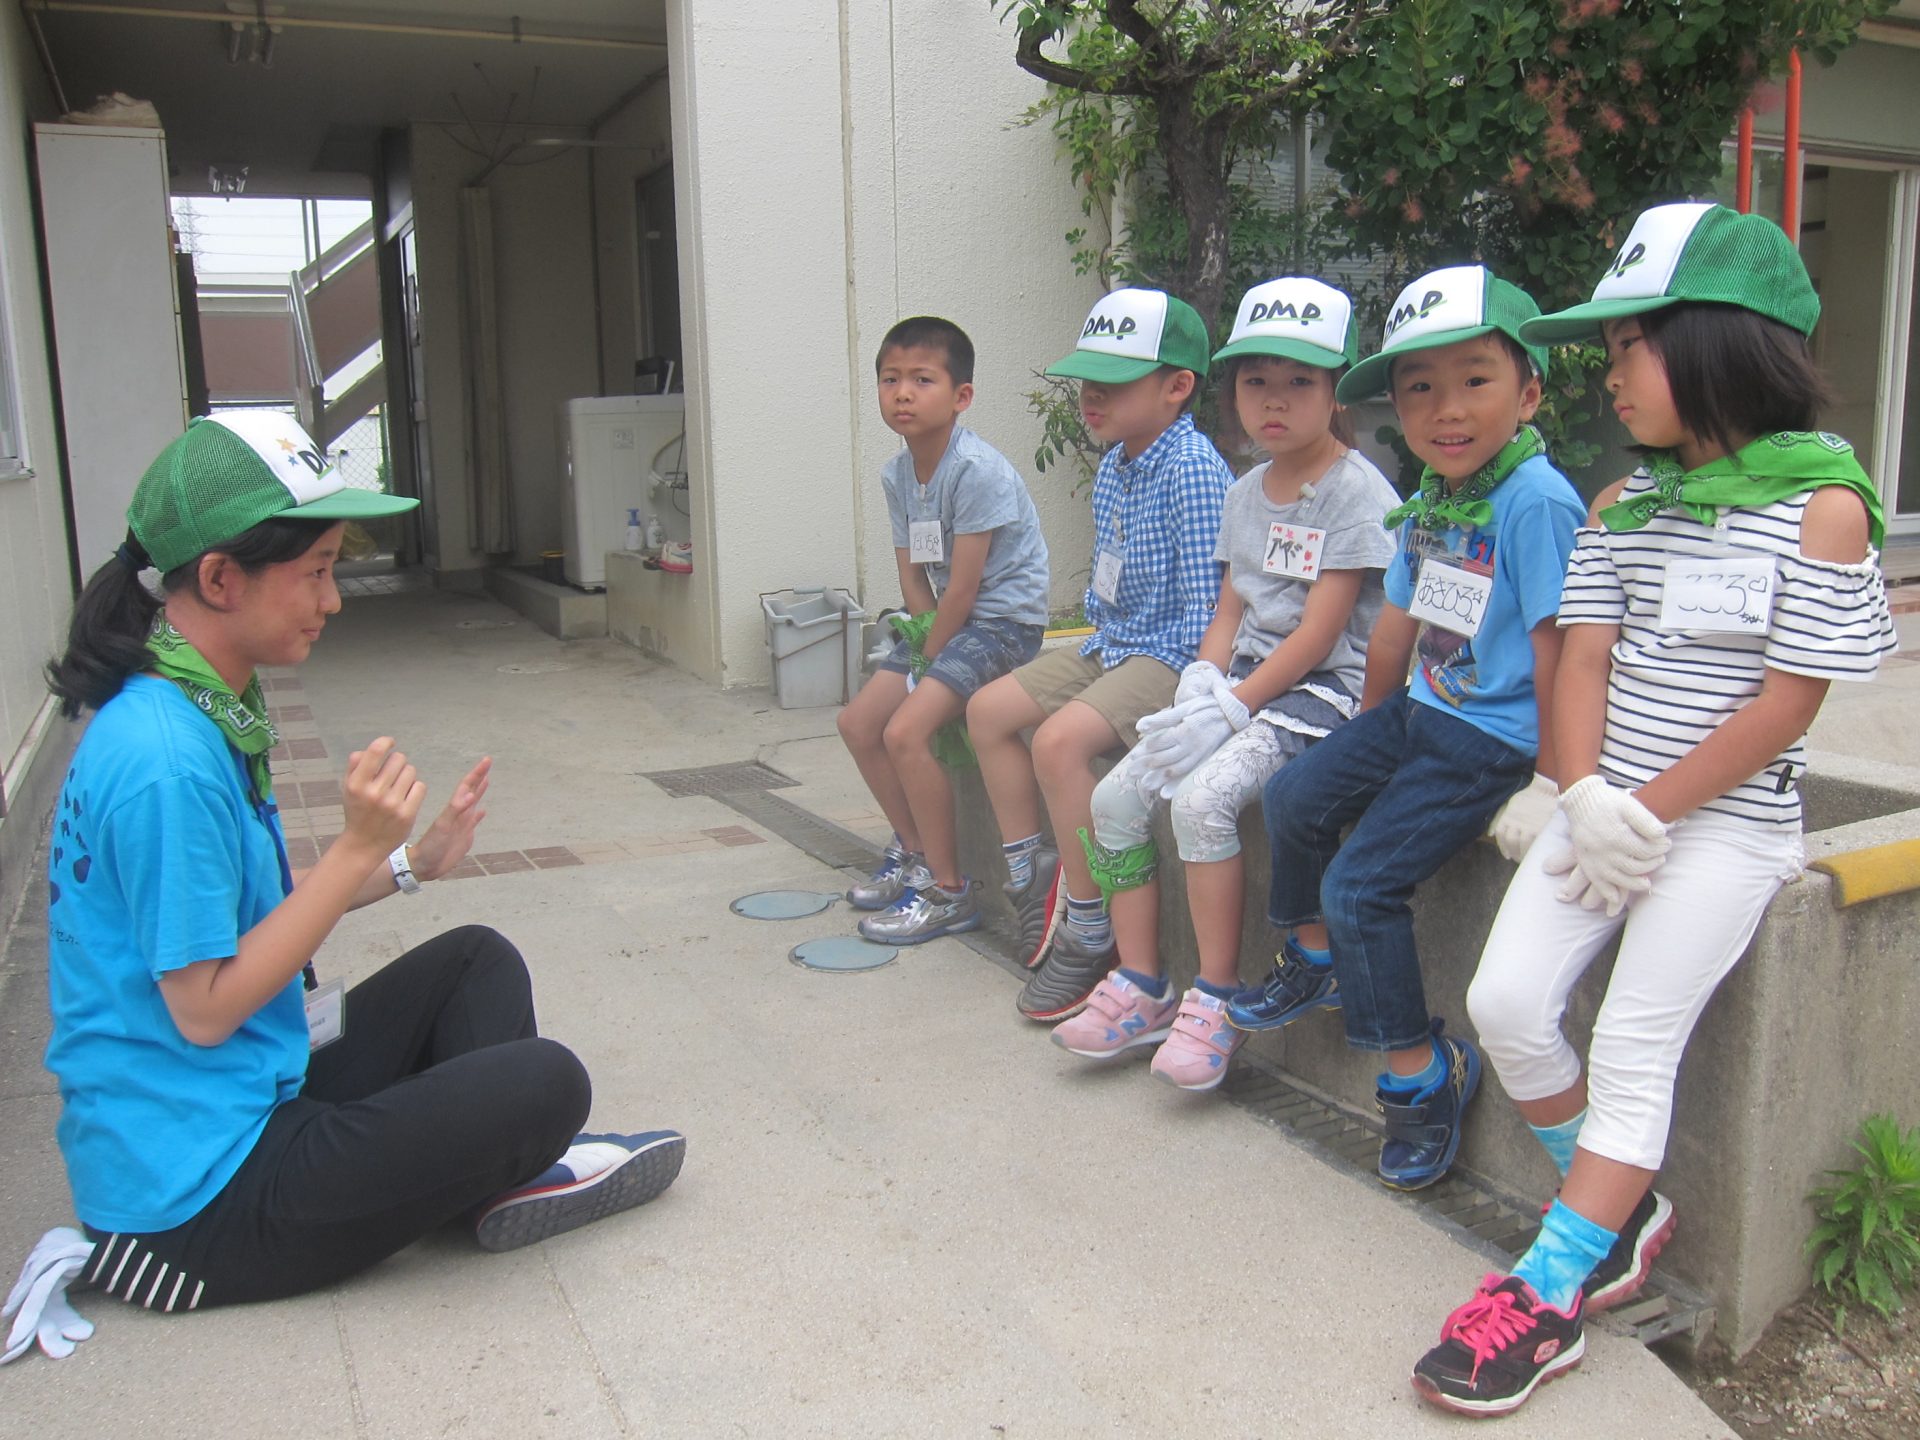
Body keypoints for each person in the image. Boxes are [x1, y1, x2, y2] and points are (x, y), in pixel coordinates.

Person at [6, 412, 682, 1357]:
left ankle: (493, 1179)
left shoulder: (193, 700)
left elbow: (243, 916)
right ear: (220, 578)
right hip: (197, 1203)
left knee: (476, 962)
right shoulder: (166, 760)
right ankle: (501, 1172)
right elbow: (204, 1008)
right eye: (316, 570)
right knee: (548, 1082)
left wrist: (406, 864)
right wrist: (356, 848)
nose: (332, 599)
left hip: (239, 1097)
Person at [1411, 203, 1896, 1417]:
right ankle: (1618, 1210)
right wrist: (1583, 793)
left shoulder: (1825, 507)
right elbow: (1581, 655)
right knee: (1505, 1002)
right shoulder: (1625, 502)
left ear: (1723, 343)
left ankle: (1551, 1289)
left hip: (1727, 829)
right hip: (1603, 806)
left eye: (1632, 346)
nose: (1612, 374)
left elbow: (1787, 705)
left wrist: (1650, 811)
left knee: (1632, 1044)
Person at [1244, 266, 1585, 1189]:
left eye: (1475, 380)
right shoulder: (1434, 494)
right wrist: (1365, 746)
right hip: (1421, 710)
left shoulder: (1535, 501)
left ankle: (1423, 1072)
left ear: (1529, 393)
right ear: (1396, 408)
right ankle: (1316, 957)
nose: (1448, 408)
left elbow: (1562, 652)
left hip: (1493, 737)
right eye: (1420, 388)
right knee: (1296, 793)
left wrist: (1552, 784)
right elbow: (1395, 627)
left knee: (1360, 886)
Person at [1049, 278, 1398, 1090]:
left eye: (1299, 381)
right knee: (1115, 799)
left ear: (1336, 390)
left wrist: (1232, 707)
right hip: (1238, 686)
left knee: (1202, 802)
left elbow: (1318, 635)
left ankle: (1216, 996)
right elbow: (1231, 607)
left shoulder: (1356, 492)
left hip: (1319, 697)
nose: (1273, 400)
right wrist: (1201, 682)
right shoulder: (1244, 492)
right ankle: (1141, 981)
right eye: (1255, 380)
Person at [966, 287, 1233, 1021]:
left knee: (1058, 742)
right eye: (1087, 379)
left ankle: (1088, 929)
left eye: (1114, 381)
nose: (1091, 395)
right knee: (987, 710)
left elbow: (1211, 608)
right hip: (1113, 641)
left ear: (1177, 387)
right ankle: (1035, 877)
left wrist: (1192, 693)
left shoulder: (1192, 467)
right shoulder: (1117, 462)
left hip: (1172, 656)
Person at [838, 317, 1050, 944]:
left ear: (962, 396)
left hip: (1002, 626)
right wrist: (924, 647)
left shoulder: (976, 470)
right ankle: (913, 854)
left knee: (905, 731)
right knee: (858, 723)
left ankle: (950, 892)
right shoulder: (897, 475)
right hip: (948, 625)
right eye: (890, 379)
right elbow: (915, 576)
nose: (902, 393)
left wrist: (928, 662)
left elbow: (963, 588)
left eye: (922, 380)